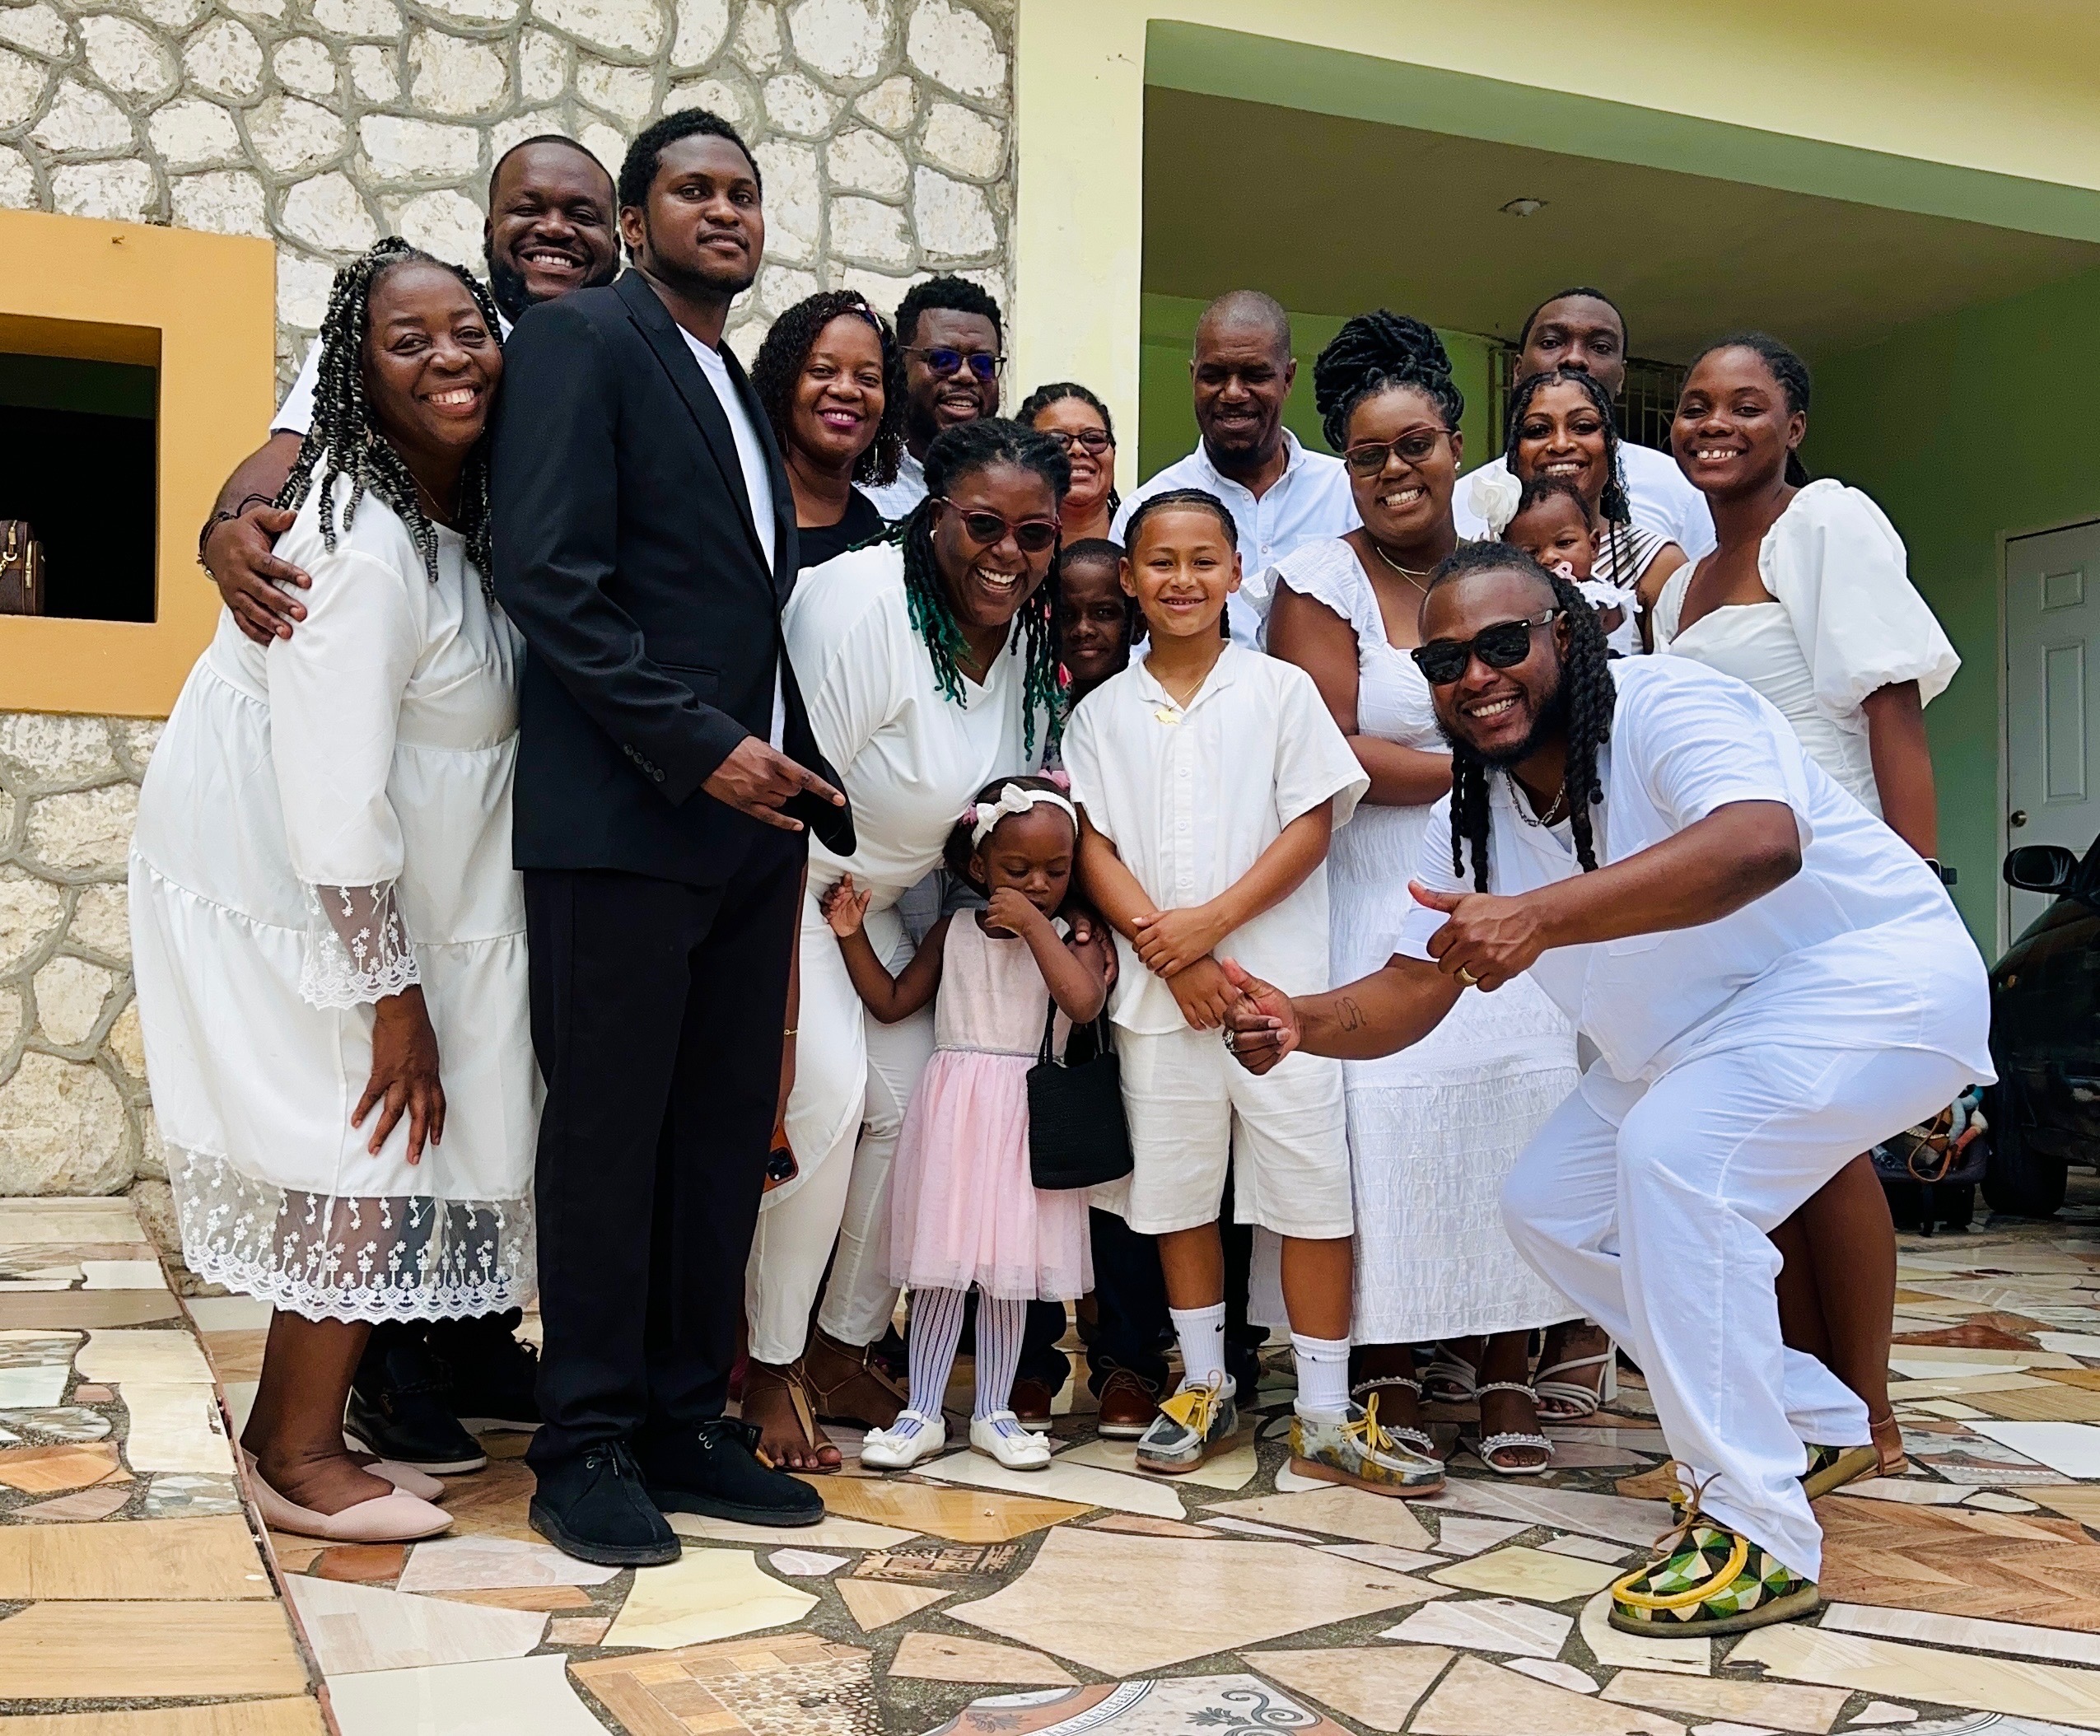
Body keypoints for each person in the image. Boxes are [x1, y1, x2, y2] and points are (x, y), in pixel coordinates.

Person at [1223, 541, 1991, 1634]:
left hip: (1870, 982)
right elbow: (1411, 989)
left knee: (1673, 1161)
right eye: (1444, 660)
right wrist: (1299, 1021)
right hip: (1705, 1033)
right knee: (1550, 1204)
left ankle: (1759, 1527)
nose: (1476, 676)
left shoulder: (1666, 703)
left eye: (1503, 643)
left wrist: (1539, 917)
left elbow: (1758, 843)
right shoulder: (1474, 814)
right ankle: (1807, 1417)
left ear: (1569, 636)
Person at [194, 133, 619, 1474]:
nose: (554, 231)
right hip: (357, 852)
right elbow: (272, 487)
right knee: (369, 1125)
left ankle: (418, 1369)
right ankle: (320, 1429)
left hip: (450, 845)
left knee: (421, 1126)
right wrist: (223, 534)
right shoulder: (369, 513)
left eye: (581, 212)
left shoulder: (544, 390)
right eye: (528, 209)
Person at [491, 109, 854, 1566]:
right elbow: (547, 576)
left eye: (744, 193)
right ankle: (582, 1441)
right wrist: (703, 748)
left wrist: (793, 777)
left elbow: (737, 606)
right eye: (694, 190)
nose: (726, 212)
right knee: (608, 1139)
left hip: (749, 831)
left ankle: (682, 1418)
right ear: (636, 224)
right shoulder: (582, 339)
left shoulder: (731, 383)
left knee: (713, 1138)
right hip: (626, 814)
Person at [130, 240, 531, 1542]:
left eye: (466, 330)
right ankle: (296, 1454)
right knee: (359, 1136)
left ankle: (290, 1434)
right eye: (406, 341)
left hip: (382, 886)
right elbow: (334, 801)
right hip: (306, 881)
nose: (448, 358)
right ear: (351, 376)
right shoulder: (355, 545)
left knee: (369, 1148)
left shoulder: (443, 517)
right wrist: (394, 999)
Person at [1066, 488, 1441, 1497]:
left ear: (1239, 573)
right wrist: (1174, 958)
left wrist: (1212, 927)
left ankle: (1323, 1409)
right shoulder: (1100, 712)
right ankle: (1204, 1383)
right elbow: (1092, 844)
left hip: (1283, 1002)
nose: (1182, 579)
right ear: (1130, 577)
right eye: (1160, 561)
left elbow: (1310, 826)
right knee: (1180, 1193)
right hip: (1162, 1004)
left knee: (1311, 1192)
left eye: (1204, 560)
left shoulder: (1281, 691)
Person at [1258, 313, 1579, 1475]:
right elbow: (1328, 746)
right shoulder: (1316, 580)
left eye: (1416, 445)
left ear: (1454, 445)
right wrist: (1488, 761)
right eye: (1367, 455)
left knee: (1522, 1093)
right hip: (1375, 874)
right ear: (1344, 467)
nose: (1394, 470)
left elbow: (1563, 695)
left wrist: (1507, 771)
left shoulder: (1503, 571)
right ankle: (1389, 1351)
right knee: (1384, 1113)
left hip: (1513, 867)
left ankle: (1506, 1358)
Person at [742, 419, 1073, 1473]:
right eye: (982, 525)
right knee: (827, 1099)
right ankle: (767, 1366)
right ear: (933, 517)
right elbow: (775, 798)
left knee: (919, 1103)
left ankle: (841, 1346)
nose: (1007, 553)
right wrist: (779, 1014)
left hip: (877, 903)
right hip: (785, 885)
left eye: (1033, 533)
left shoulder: (1023, 636)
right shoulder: (863, 605)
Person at [1659, 332, 1960, 1476]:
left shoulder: (1825, 523)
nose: (1713, 424)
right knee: (1759, 1161)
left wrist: (1916, 898)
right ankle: (1801, 1409)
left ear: (1793, 427)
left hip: (1831, 883)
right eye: (1695, 405)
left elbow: (1892, 717)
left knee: (1825, 1151)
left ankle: (1868, 1415)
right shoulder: (1682, 583)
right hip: (1726, 901)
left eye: (1745, 405)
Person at [822, 777, 1108, 1472]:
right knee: (940, 1270)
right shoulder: (952, 933)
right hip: (954, 1119)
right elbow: (892, 1003)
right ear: (978, 866)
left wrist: (1038, 926)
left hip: (1025, 1121)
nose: (1037, 884)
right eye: (1018, 869)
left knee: (1009, 1272)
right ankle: (922, 1410)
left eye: (1056, 871)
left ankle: (994, 1413)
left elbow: (1082, 1004)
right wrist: (852, 937)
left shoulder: (1071, 940)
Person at [1112, 292, 1357, 647]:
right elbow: (1130, 652)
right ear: (1193, 377)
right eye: (1214, 376)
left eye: (1255, 375)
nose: (1233, 393)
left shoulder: (1348, 492)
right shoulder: (1146, 510)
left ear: (1288, 379)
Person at [1454, 287, 1713, 559]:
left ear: (1621, 376)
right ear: (1517, 370)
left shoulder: (1679, 488)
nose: (1574, 359)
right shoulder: (1463, 502)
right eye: (1551, 343)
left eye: (1600, 347)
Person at [1486, 366, 1688, 654]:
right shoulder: (1486, 560)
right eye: (1538, 431)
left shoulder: (1658, 562)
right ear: (1514, 451)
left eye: (1583, 427)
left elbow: (1675, 671)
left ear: (1611, 445)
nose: (1560, 444)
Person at [749, 289, 904, 570]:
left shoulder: (872, 530)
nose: (846, 390)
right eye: (822, 371)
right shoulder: (745, 511)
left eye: (868, 378)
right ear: (783, 386)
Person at [860, 276, 1005, 519]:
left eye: (983, 364)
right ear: (899, 366)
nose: (965, 376)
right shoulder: (860, 493)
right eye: (942, 360)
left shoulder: (1017, 489)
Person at [1021, 381, 1119, 544]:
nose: (1078, 449)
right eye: (1057, 440)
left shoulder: (1146, 540)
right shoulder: (1006, 550)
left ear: (1113, 453)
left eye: (1093, 438)